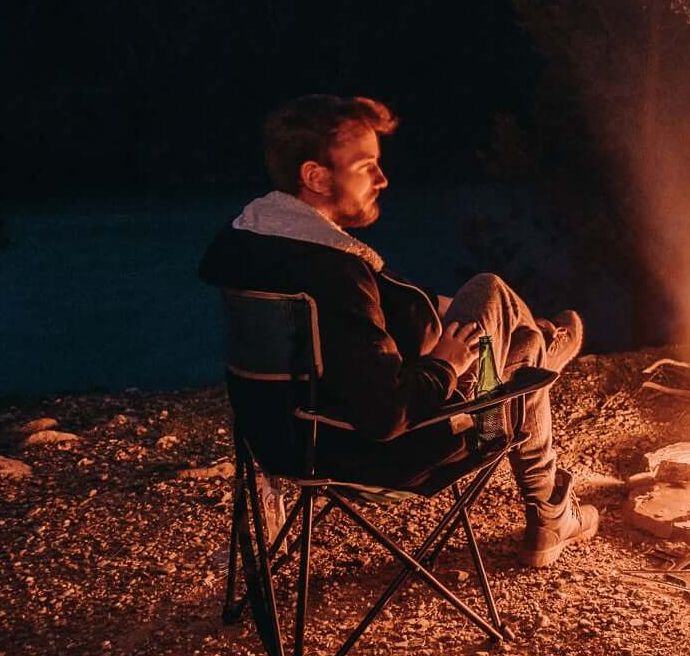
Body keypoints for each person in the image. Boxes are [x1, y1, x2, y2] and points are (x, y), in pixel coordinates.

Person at [199, 94, 597, 568]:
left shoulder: (253, 243)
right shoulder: (335, 276)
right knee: (501, 310)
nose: (383, 179)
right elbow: (387, 415)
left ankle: (539, 369)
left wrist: (428, 322)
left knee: (515, 340)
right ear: (315, 177)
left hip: (281, 439)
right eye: (366, 166)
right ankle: (550, 488)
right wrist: (444, 364)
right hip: (402, 445)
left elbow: (357, 340)